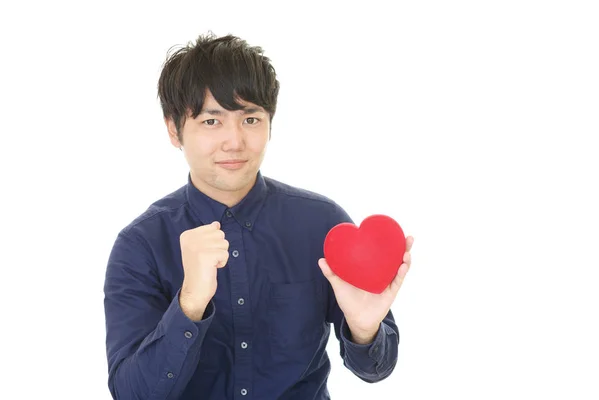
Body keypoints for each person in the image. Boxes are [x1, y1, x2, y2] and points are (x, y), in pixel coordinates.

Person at [103, 32, 414, 400]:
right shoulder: (140, 245)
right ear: (174, 129)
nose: (234, 141)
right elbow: (131, 394)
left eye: (250, 119)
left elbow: (376, 368)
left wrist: (364, 331)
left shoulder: (322, 225)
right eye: (211, 121)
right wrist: (189, 304)